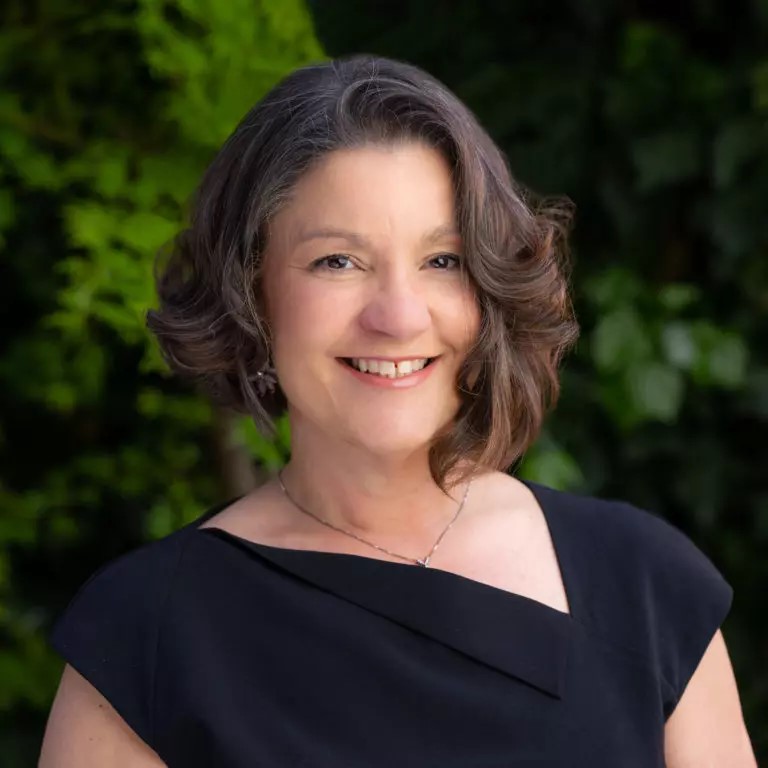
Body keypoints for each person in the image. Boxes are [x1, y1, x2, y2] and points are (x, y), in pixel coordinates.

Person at [39, 55, 756, 767]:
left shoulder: (646, 587)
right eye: (338, 262)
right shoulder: (143, 642)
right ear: (251, 294)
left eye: (442, 260)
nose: (398, 315)